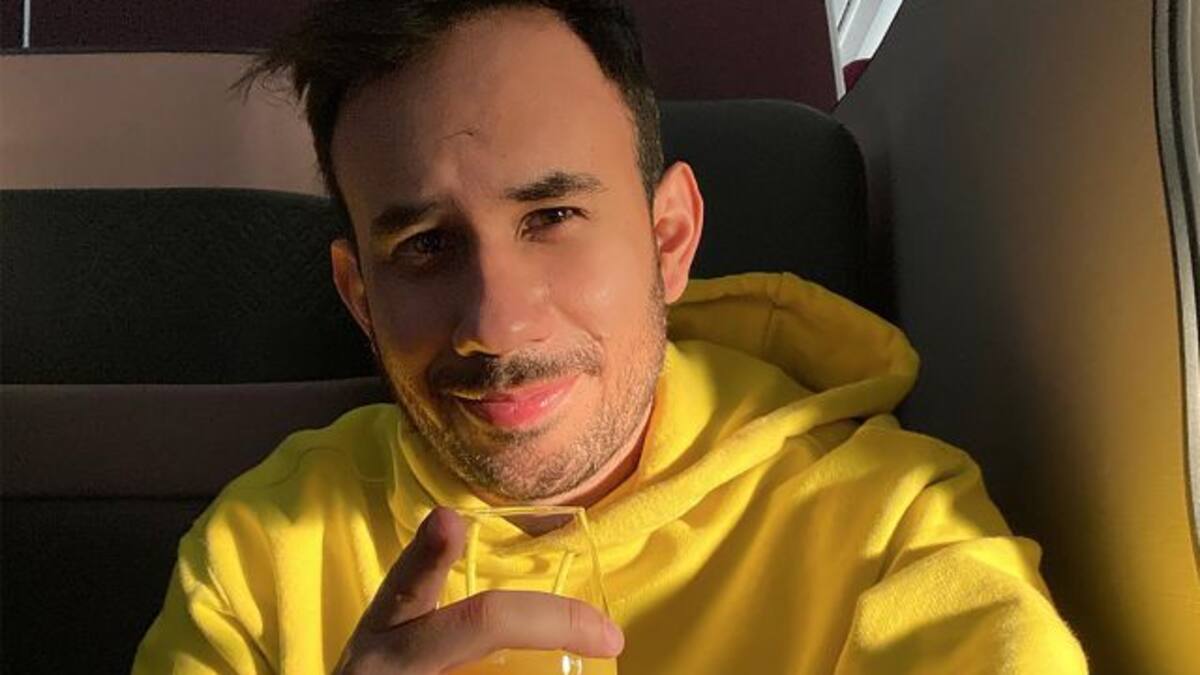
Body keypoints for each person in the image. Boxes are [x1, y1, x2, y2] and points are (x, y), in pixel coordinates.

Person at [134, 1, 1088, 672]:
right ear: (359, 297)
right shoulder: (255, 561)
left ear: (670, 239)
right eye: (423, 246)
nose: (496, 323)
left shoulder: (893, 528)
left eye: (551, 216)